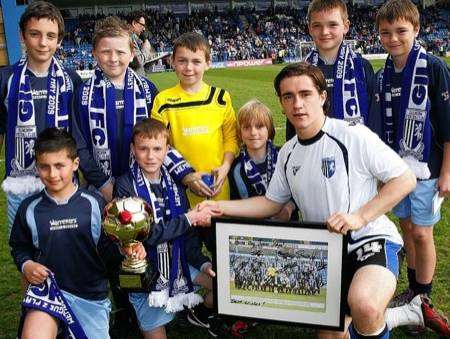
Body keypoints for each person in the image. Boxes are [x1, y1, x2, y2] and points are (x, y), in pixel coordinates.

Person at [197, 62, 450, 339]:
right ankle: (407, 313)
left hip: (369, 240)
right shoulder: (288, 153)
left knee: (365, 305)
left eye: (305, 94)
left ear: (322, 97)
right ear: (281, 104)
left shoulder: (353, 135)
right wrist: (219, 207)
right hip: (325, 252)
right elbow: (270, 203)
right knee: (333, 335)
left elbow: (404, 179)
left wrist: (359, 217)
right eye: (288, 97)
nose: (298, 104)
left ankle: (386, 314)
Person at [72, 16, 200, 337]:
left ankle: (159, 298)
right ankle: (124, 308)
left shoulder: (147, 88)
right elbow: (80, 143)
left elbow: (159, 136)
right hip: (99, 186)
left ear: (132, 53)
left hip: (140, 183)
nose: (113, 59)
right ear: (95, 53)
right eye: (105, 52)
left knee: (142, 243)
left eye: (120, 52)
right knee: (111, 249)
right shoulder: (83, 93)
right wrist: (103, 185)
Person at [9, 128, 137, 339]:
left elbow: (107, 252)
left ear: (75, 164)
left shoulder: (95, 204)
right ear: (37, 167)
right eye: (44, 167)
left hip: (90, 297)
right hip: (48, 294)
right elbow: (20, 246)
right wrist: (27, 265)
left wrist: (126, 249)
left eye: (59, 166)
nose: (52, 174)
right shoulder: (29, 208)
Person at [374, 0, 450, 335]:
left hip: (428, 169)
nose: (393, 38)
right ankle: (412, 290)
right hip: (395, 171)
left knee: (422, 232)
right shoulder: (382, 75)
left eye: (401, 31)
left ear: (416, 30)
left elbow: (448, 126)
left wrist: (447, 172)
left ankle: (423, 297)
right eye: (386, 32)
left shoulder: (433, 68)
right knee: (406, 229)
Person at [114, 118, 217, 339]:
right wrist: (188, 219)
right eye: (143, 149)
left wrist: (202, 262)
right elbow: (145, 235)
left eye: (157, 149)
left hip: (179, 261)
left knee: (222, 290)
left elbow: (187, 234)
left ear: (167, 150)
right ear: (133, 149)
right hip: (149, 274)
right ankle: (143, 316)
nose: (150, 156)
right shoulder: (124, 185)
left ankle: (196, 313)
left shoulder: (175, 182)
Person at [0, 1, 84, 234]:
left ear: (59, 40)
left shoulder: (71, 79)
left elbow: (79, 135)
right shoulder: (6, 78)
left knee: (65, 251)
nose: (43, 43)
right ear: (23, 36)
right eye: (35, 34)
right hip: (20, 185)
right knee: (26, 255)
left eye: (50, 36)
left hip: (64, 182)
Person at [152, 31, 239, 253]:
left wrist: (225, 167)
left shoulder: (220, 98)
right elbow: (159, 144)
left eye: (196, 61)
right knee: (186, 253)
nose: (189, 68)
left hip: (217, 188)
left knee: (221, 251)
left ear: (208, 63)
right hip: (180, 191)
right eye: (182, 61)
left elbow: (231, 137)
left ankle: (214, 288)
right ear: (172, 62)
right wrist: (187, 176)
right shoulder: (163, 101)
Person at [285, 0, 376, 141]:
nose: (324, 32)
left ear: (346, 26)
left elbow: (374, 119)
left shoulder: (362, 67)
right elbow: (293, 123)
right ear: (309, 28)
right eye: (317, 26)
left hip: (356, 156)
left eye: (332, 24)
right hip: (313, 156)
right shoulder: (300, 72)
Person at [229, 99, 296, 221]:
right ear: (240, 132)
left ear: (269, 129)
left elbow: (299, 190)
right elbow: (235, 206)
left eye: (259, 127)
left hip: (288, 231)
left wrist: (289, 208)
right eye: (247, 127)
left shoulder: (285, 156)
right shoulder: (235, 168)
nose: (253, 132)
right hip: (252, 233)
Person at [128, 12, 152, 76]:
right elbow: (139, 62)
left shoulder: (134, 38)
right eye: (142, 25)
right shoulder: (129, 37)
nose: (144, 29)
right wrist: (146, 48)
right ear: (134, 23)